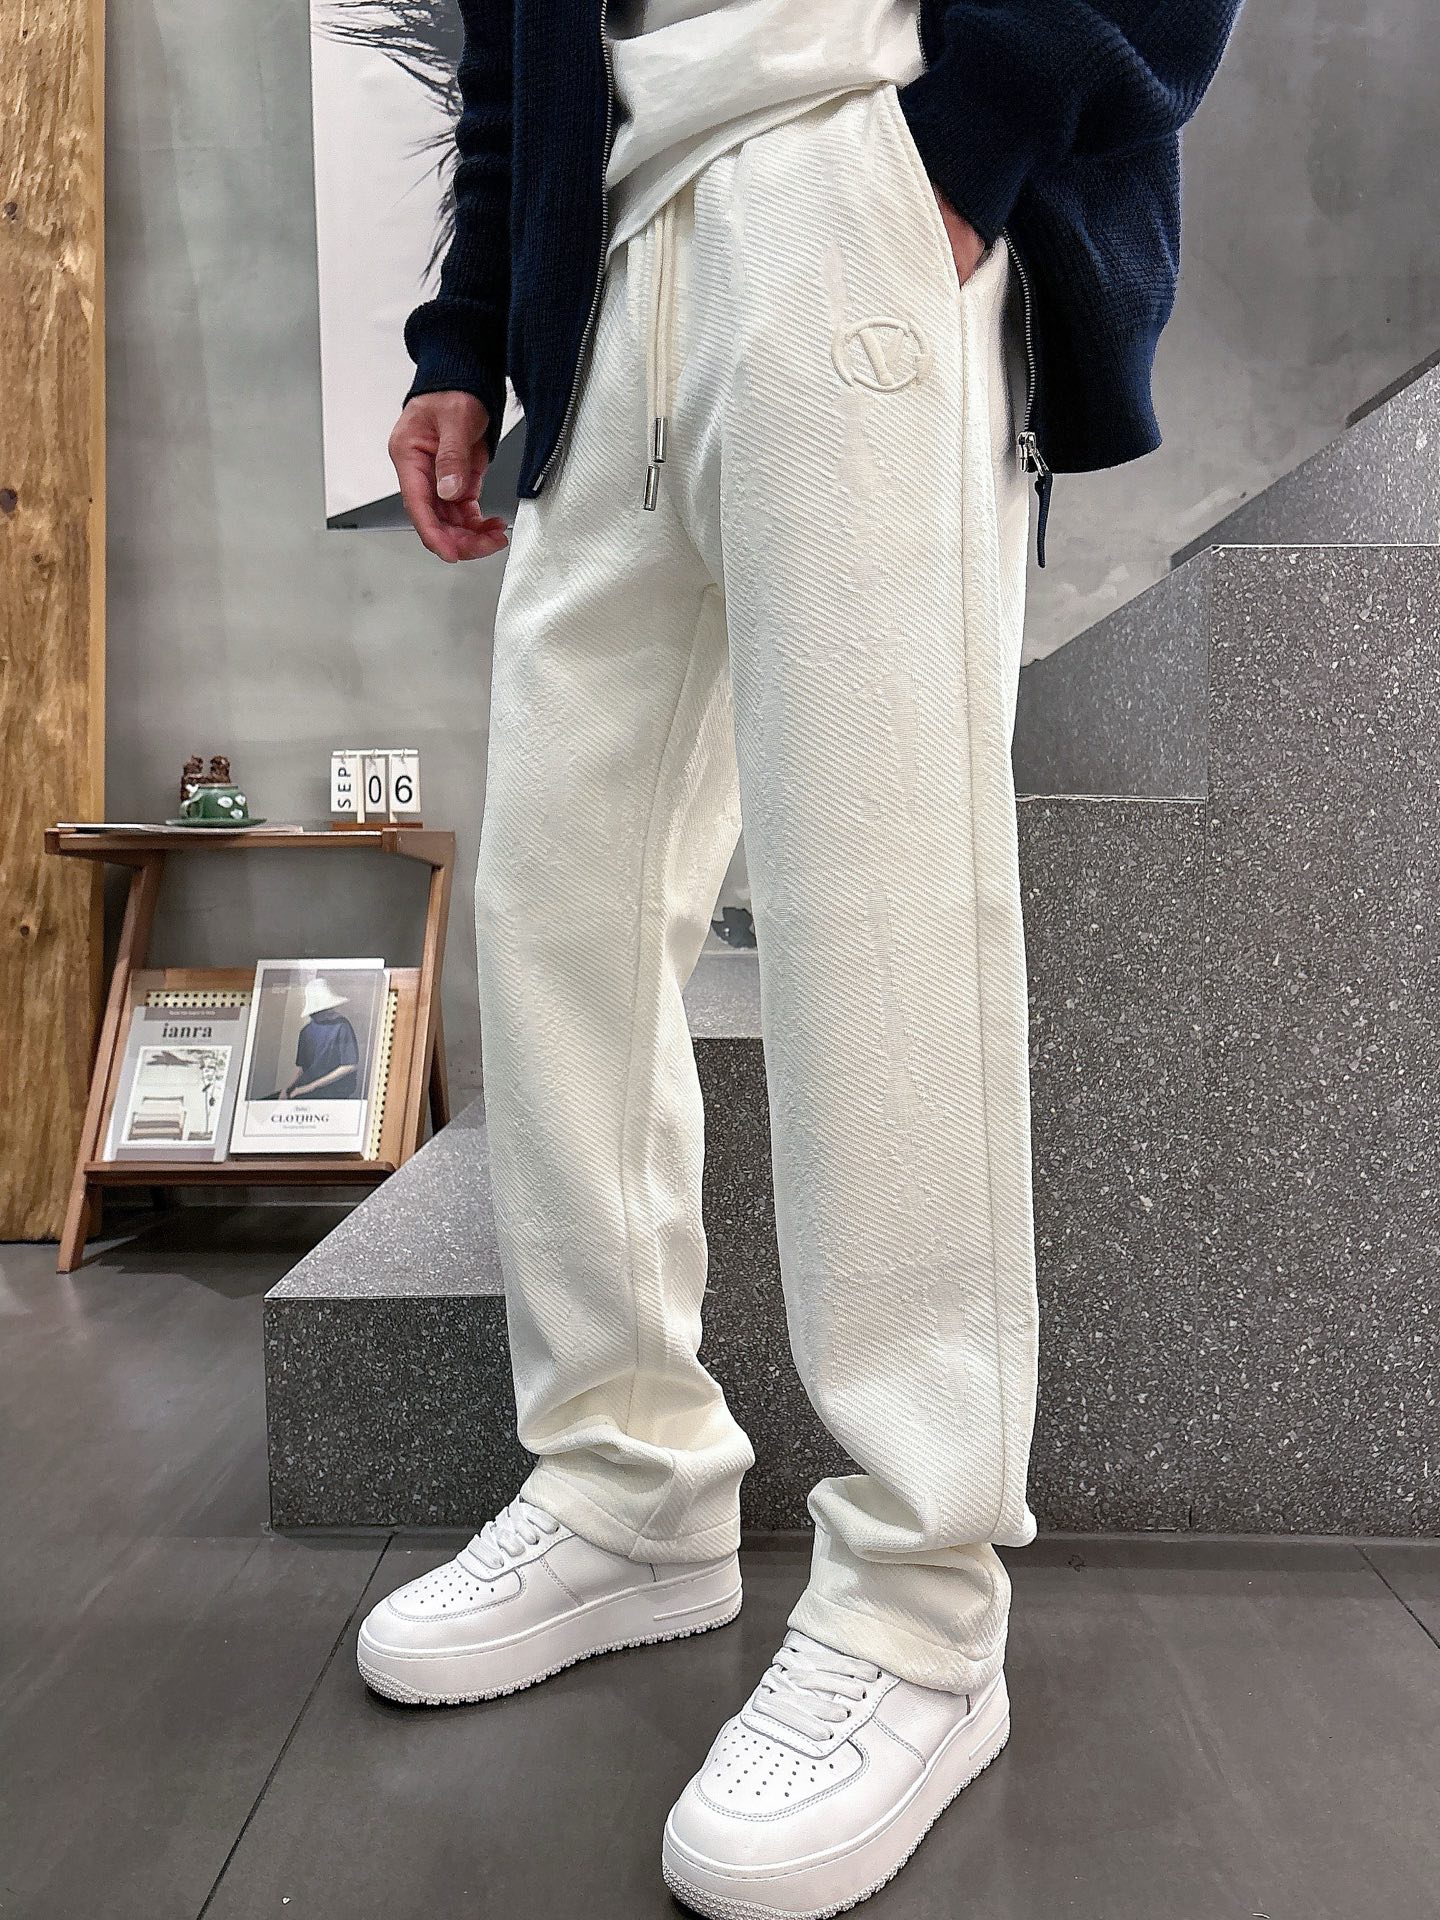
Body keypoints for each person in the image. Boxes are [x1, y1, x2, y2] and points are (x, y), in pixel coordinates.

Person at [361, 3, 1241, 1912]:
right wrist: (464, 332)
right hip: (608, 254)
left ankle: (921, 1603)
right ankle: (628, 1482)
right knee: (561, 917)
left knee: (878, 916)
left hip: (863, 152)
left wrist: (969, 140)